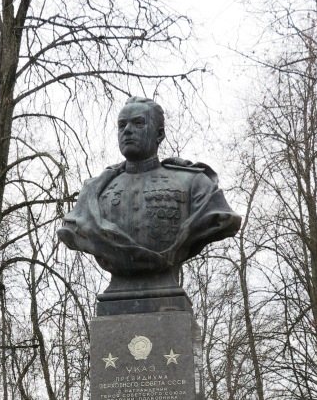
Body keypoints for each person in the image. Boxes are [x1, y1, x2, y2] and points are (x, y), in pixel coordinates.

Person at [58, 96, 241, 297]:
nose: (127, 130)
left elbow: (220, 220)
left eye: (138, 123)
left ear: (159, 134)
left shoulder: (194, 183)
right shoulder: (95, 191)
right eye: (122, 125)